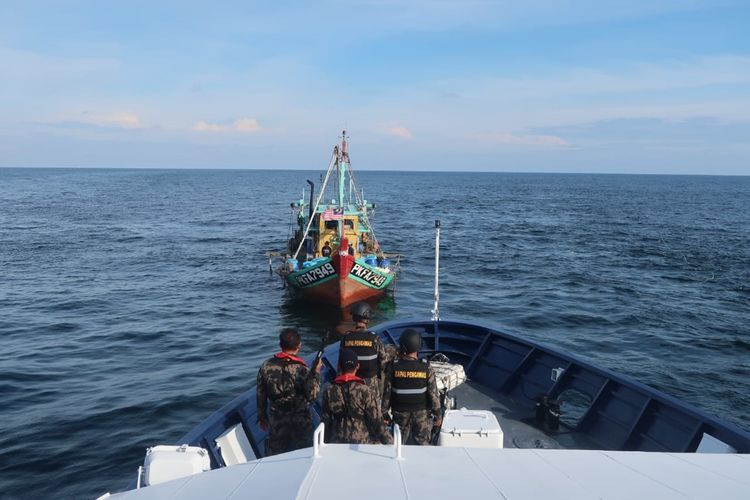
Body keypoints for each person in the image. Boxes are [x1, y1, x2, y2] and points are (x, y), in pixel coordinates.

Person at [256, 327, 322, 456]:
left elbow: (261, 394)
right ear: (299, 346)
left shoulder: (265, 366)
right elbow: (313, 395)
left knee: (274, 455)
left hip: (277, 419)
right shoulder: (302, 369)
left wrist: (262, 417)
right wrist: (316, 373)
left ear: (280, 345)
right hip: (300, 420)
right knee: (306, 453)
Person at [382, 329, 442, 445]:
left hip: (400, 415)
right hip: (421, 416)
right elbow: (433, 395)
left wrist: (384, 413)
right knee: (423, 445)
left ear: (403, 346)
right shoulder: (426, 367)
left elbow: (387, 394)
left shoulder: (393, 367)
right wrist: (438, 415)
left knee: (399, 443)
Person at [322, 348, 393, 445]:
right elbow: (377, 422)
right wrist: (391, 444)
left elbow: (326, 422)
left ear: (339, 366)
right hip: (361, 441)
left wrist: (324, 444)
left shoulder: (329, 391)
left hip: (337, 442)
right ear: (357, 366)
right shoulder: (365, 391)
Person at [340, 302, 387, 402]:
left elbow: (340, 365)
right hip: (370, 386)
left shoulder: (346, 338)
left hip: (351, 385)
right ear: (367, 318)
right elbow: (383, 363)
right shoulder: (374, 338)